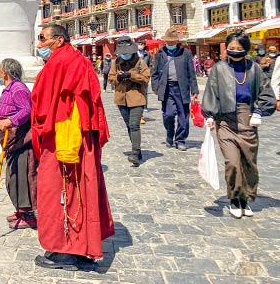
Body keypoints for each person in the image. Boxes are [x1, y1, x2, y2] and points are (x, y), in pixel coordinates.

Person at [31, 24, 114, 271]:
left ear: (58, 40)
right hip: (81, 139)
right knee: (82, 191)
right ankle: (83, 247)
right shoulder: (79, 61)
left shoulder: (60, 63)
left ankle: (64, 251)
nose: (39, 44)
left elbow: (43, 106)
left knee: (57, 191)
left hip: (64, 139)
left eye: (43, 38)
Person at [202, 30, 276, 218]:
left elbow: (267, 94)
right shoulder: (219, 68)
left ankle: (246, 198)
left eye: (238, 48)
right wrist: (210, 115)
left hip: (248, 119)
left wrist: (259, 111)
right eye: (231, 48)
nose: (234, 51)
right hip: (225, 121)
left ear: (246, 50)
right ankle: (234, 198)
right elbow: (212, 93)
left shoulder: (255, 69)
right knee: (233, 162)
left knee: (248, 163)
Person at [0, 58, 37, 229]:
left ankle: (28, 215)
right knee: (13, 177)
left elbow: (26, 110)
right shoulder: (9, 88)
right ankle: (20, 209)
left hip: (21, 139)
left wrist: (10, 121)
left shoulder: (18, 89)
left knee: (22, 176)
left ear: (5, 71)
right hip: (10, 139)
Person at [150, 28, 198, 151]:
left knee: (183, 116)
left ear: (177, 41)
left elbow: (191, 73)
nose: (171, 44)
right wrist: (155, 87)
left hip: (182, 89)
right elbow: (155, 73)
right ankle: (170, 134)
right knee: (168, 115)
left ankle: (180, 140)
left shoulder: (185, 53)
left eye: (173, 42)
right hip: (167, 89)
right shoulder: (160, 53)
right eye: (169, 42)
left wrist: (195, 91)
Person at [108, 36, 150, 167]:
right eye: (122, 52)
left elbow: (146, 78)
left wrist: (131, 75)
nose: (125, 55)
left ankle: (135, 153)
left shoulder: (140, 62)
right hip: (121, 98)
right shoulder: (116, 62)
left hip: (137, 97)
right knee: (128, 125)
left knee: (134, 125)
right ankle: (137, 149)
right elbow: (110, 78)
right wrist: (118, 77)